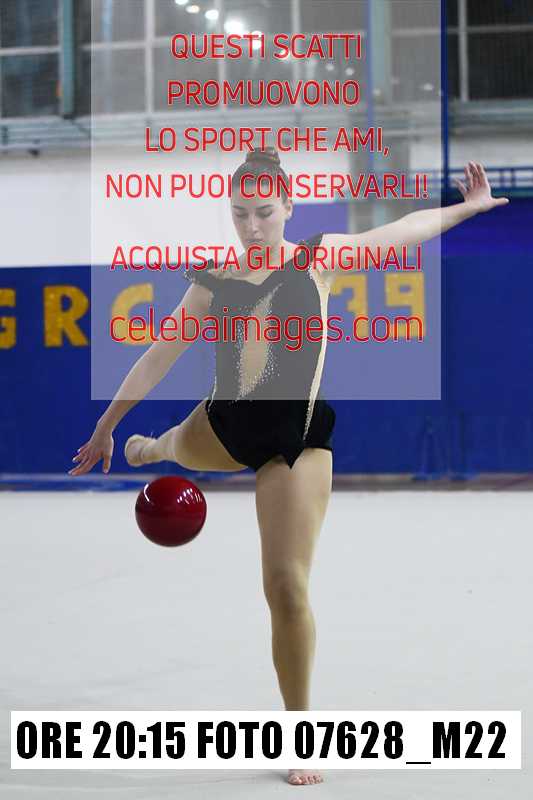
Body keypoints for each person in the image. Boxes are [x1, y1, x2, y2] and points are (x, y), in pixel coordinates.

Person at [70, 150, 508, 785]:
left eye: (264, 212)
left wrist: (467, 209)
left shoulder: (318, 258)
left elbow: (401, 231)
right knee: (171, 447)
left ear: (288, 207)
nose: (252, 226)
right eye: (240, 214)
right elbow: (158, 356)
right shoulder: (213, 281)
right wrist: (107, 428)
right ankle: (151, 448)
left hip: (295, 442)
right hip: (221, 428)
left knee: (285, 584)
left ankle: (299, 735)